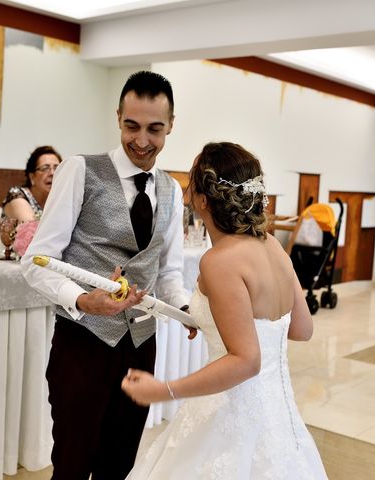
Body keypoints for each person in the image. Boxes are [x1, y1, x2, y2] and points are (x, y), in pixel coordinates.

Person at [21, 71, 191, 479]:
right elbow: (36, 260)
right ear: (118, 117)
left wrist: (185, 309)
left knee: (120, 463)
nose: (142, 140)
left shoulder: (172, 190)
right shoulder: (80, 170)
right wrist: (81, 299)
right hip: (83, 342)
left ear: (171, 125)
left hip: (141, 345)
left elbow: (168, 271)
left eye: (155, 129)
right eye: (131, 126)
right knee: (74, 463)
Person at [121, 142, 328, 479]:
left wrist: (164, 389)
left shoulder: (219, 262)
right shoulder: (273, 246)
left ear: (202, 200)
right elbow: (302, 329)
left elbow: (246, 360)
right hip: (278, 421)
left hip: (230, 416)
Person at [2, 145, 62, 221]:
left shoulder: (60, 199)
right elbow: (30, 228)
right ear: (32, 177)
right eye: (45, 168)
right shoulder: (17, 195)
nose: (52, 173)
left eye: (57, 168)